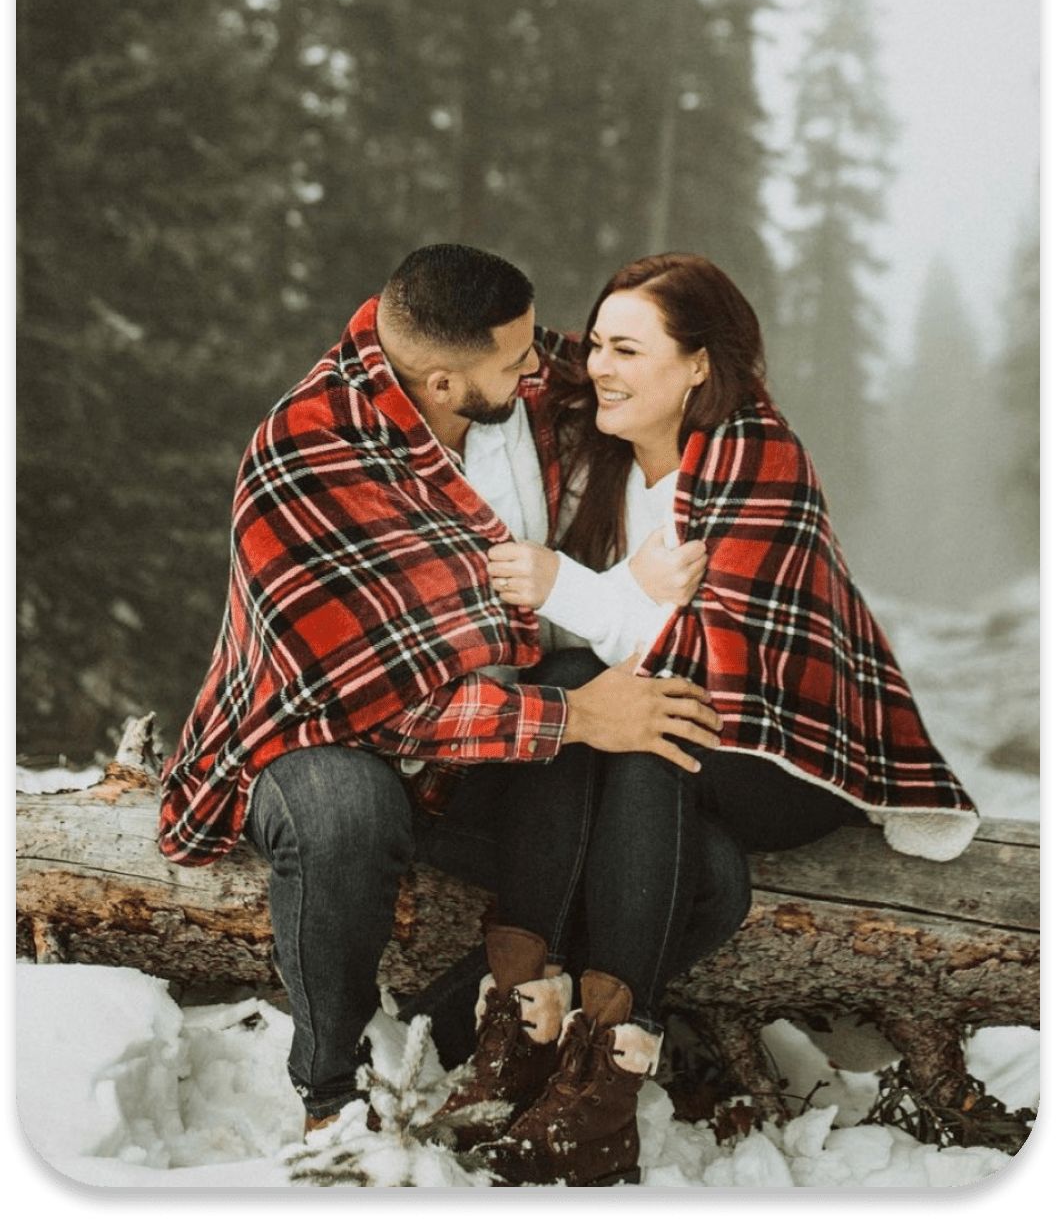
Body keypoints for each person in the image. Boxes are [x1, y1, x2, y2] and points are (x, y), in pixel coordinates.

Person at [425, 252, 978, 1189]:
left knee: (654, 722)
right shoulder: (596, 460)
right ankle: (520, 1024)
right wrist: (622, 595)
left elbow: (709, 669)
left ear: (698, 367)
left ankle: (603, 1087)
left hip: (783, 757)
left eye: (630, 349)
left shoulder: (756, 458)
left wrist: (582, 590)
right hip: (677, 747)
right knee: (595, 707)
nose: (600, 366)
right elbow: (576, 642)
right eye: (598, 344)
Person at [157, 245, 724, 1135]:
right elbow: (375, 710)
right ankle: (332, 1092)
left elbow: (656, 377)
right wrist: (577, 717)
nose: (545, 367)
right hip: (322, 737)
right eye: (518, 360)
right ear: (444, 384)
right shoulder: (306, 459)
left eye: (537, 343)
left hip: (482, 751)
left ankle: (471, 1020)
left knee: (712, 884)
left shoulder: (513, 385)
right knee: (343, 807)